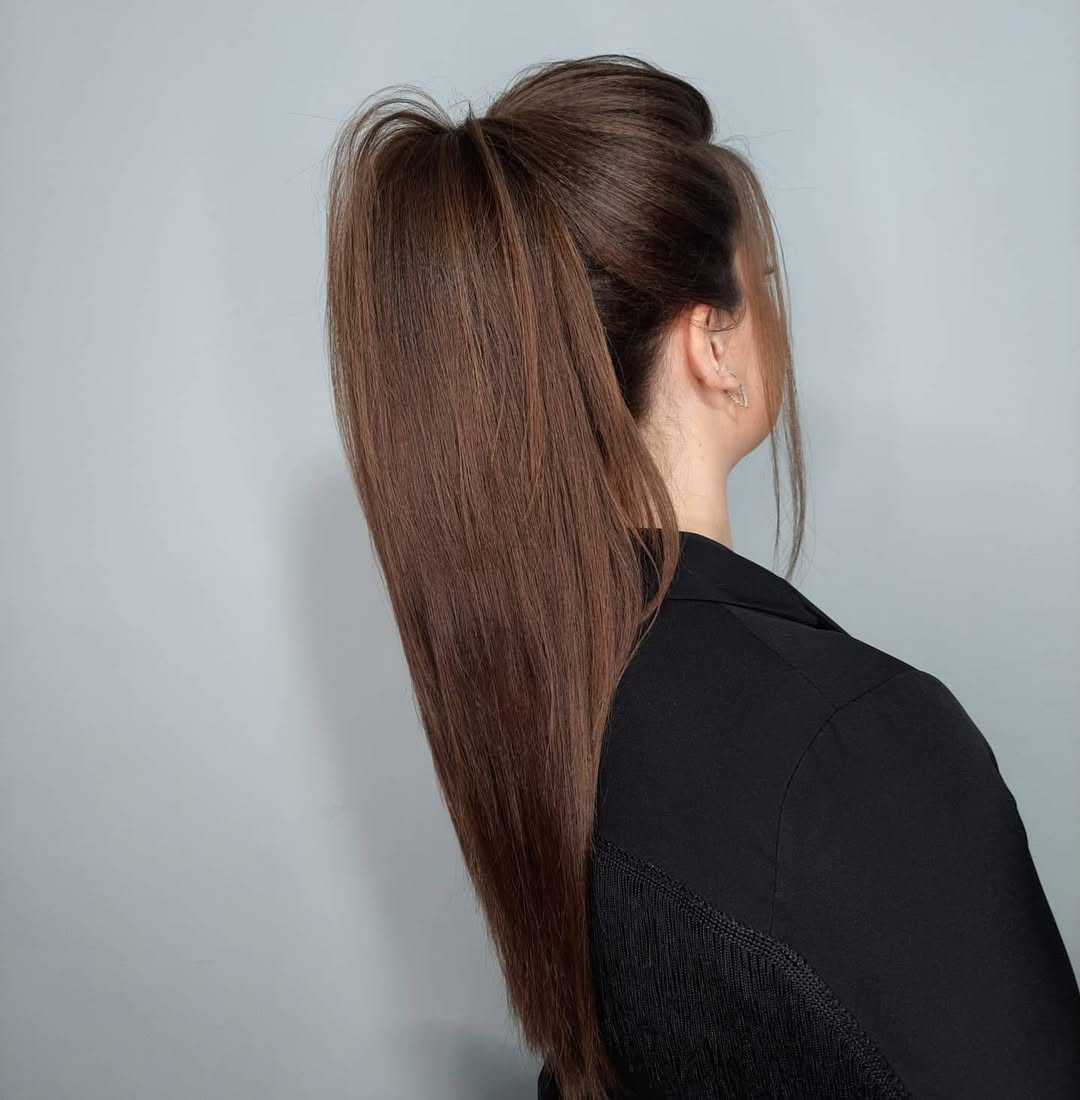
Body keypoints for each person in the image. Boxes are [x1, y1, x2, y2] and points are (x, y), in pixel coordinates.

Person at [323, 53, 1080, 1099]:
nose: (772, 312)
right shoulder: (854, 748)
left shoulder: (541, 687)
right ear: (710, 342)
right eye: (759, 285)